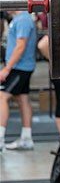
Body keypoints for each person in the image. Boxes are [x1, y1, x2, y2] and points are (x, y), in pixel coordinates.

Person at [0, 9, 38, 151]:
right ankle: (27, 139)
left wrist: (7, 68)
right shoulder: (19, 19)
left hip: (19, 67)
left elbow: (21, 46)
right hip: (20, 66)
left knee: (2, 97)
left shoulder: (23, 19)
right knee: (23, 99)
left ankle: (0, 139)